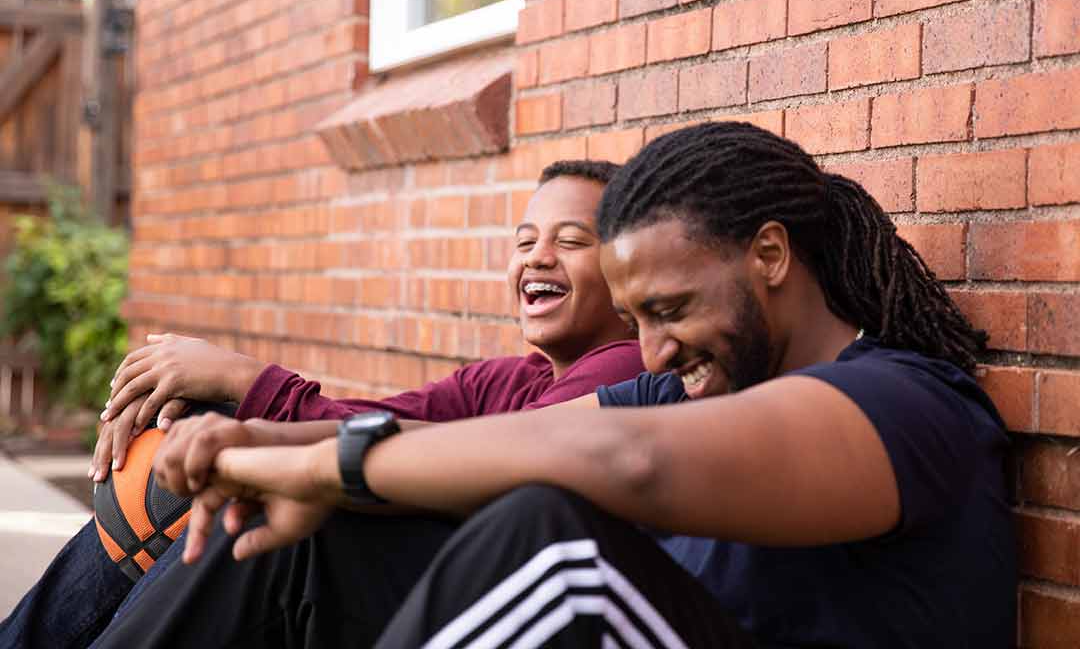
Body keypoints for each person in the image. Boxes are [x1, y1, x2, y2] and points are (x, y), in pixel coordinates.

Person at [93, 122, 1016, 649]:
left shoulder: (908, 403)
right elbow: (492, 442)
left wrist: (331, 462)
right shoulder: (687, 394)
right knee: (308, 536)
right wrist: (262, 450)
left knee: (552, 546)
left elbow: (618, 458)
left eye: (669, 308)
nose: (650, 352)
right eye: (637, 318)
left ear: (769, 255)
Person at [0, 160, 643, 649]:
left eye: (572, 241)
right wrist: (218, 395)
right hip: (437, 568)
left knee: (274, 511)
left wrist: (246, 383)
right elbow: (368, 419)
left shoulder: (626, 369)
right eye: (525, 239)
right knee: (205, 438)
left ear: (625, 268)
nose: (537, 256)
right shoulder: (512, 379)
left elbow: (486, 465)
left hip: (494, 600)